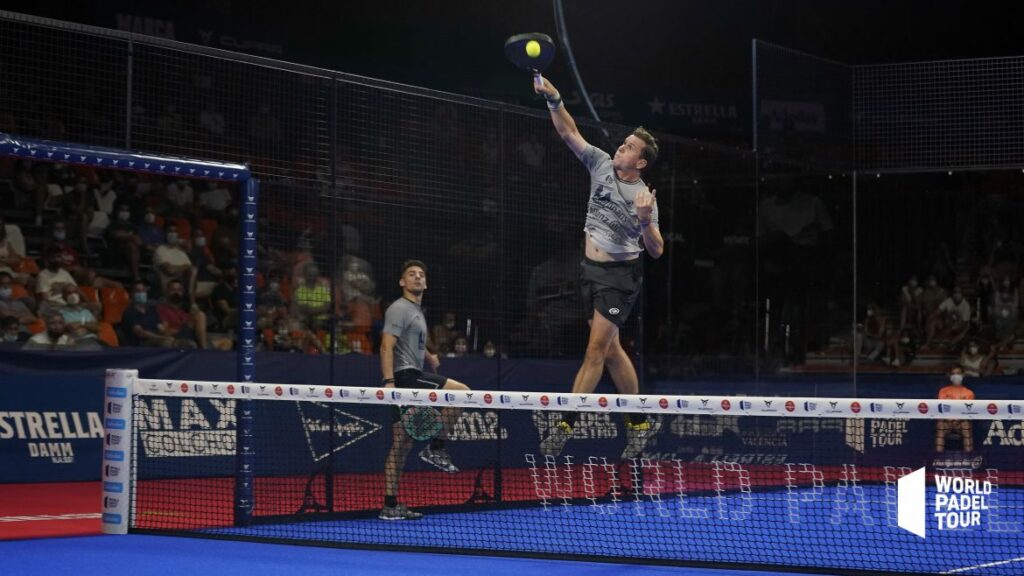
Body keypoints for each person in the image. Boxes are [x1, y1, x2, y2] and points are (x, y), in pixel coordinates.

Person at [533, 76, 664, 459]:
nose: (620, 148)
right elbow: (569, 132)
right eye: (622, 143)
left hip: (619, 280)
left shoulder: (643, 198)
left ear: (639, 162)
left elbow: (656, 250)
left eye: (628, 147)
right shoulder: (601, 165)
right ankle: (640, 425)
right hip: (587, 271)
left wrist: (643, 220)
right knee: (611, 351)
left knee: (594, 351)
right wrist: (554, 98)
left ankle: (564, 425)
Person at [379, 260, 470, 521]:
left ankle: (390, 505)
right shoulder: (399, 308)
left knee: (401, 445)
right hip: (406, 378)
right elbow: (386, 346)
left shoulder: (416, 310)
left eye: (421, 275)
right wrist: (389, 383)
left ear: (426, 283)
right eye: (411, 274)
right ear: (402, 282)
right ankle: (436, 447)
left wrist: (429, 354)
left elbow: (409, 340)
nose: (418, 278)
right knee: (462, 393)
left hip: (411, 372)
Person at [935, 366, 975, 453]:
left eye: (958, 373)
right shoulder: (943, 391)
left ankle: (969, 458)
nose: (956, 376)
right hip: (947, 421)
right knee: (940, 427)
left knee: (967, 427)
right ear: (950, 376)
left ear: (963, 375)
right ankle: (938, 458)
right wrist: (950, 420)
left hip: (961, 422)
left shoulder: (969, 393)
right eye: (953, 374)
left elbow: (967, 411)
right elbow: (942, 407)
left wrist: (957, 420)